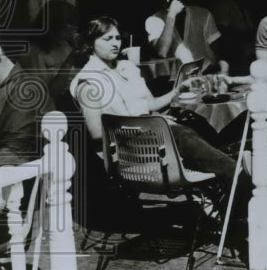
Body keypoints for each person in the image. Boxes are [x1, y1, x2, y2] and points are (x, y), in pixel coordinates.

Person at [70, 17, 244, 189]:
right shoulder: (88, 81)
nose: (115, 43)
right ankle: (238, 176)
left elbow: (151, 104)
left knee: (197, 122)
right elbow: (95, 132)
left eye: (117, 38)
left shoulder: (126, 68)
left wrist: (177, 91)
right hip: (127, 150)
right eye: (107, 39)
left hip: (151, 136)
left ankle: (230, 182)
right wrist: (148, 127)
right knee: (180, 133)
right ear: (91, 43)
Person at [145, 0, 223, 72]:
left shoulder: (203, 14)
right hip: (173, 80)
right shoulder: (154, 19)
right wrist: (171, 16)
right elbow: (162, 52)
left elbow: (218, 51)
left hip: (203, 74)